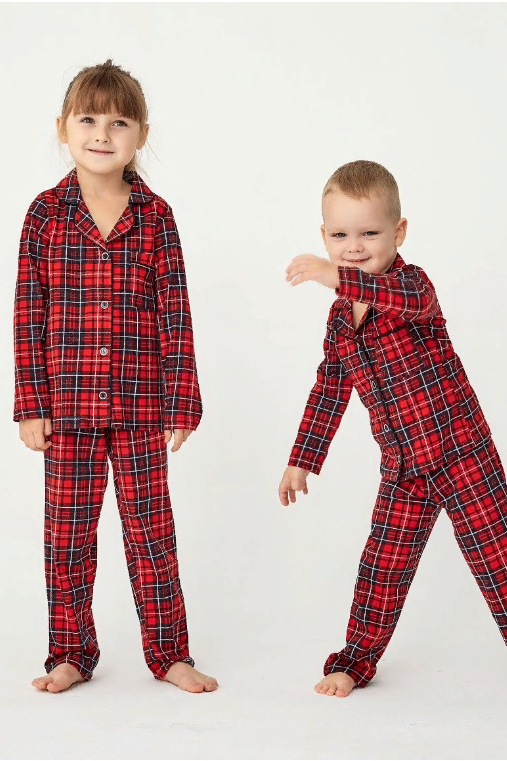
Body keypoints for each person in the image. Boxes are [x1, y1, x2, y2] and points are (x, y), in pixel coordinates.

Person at [13, 59, 218, 695]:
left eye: (119, 122)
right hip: (67, 408)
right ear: (63, 128)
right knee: (67, 538)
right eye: (88, 120)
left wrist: (183, 401)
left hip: (141, 407)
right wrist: (30, 404)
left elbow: (175, 314)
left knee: (152, 535)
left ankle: (169, 653)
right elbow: (27, 314)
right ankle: (70, 653)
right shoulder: (44, 215)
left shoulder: (157, 218)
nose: (102, 134)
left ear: (141, 135)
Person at [279, 159, 507, 698]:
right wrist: (302, 459)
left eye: (369, 234)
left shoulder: (412, 286)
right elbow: (330, 389)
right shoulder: (340, 320)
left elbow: (400, 300)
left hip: (460, 454)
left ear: (398, 232)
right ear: (324, 235)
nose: (354, 247)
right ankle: (356, 661)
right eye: (340, 236)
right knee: (382, 569)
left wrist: (333, 274)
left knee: (498, 560)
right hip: (403, 467)